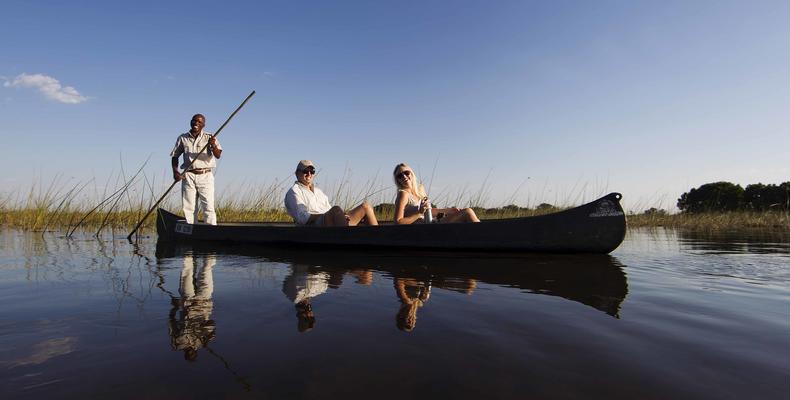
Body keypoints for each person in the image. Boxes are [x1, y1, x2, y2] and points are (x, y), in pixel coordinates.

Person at [284, 160, 378, 226]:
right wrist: (331, 215)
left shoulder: (318, 192)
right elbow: (303, 218)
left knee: (365, 207)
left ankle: (380, 240)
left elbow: (329, 209)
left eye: (312, 171)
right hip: (314, 227)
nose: (309, 174)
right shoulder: (294, 192)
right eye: (305, 171)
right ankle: (346, 241)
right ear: (297, 173)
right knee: (336, 210)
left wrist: (341, 216)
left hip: (332, 222)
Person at [170, 114, 222, 225]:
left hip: (205, 175)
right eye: (194, 121)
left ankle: (210, 230)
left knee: (208, 206)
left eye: (199, 122)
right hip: (188, 175)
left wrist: (213, 145)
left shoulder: (210, 137)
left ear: (203, 125)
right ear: (191, 122)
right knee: (189, 207)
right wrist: (175, 172)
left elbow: (218, 155)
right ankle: (192, 230)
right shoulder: (183, 138)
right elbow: (175, 156)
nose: (196, 124)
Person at [392, 163, 480, 224]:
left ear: (411, 174)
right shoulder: (403, 194)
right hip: (424, 230)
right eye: (400, 175)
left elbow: (428, 211)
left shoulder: (420, 190)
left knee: (463, 216)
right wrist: (419, 213)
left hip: (431, 222)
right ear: (398, 180)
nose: (404, 176)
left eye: (406, 172)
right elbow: (398, 221)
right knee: (467, 212)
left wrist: (448, 210)